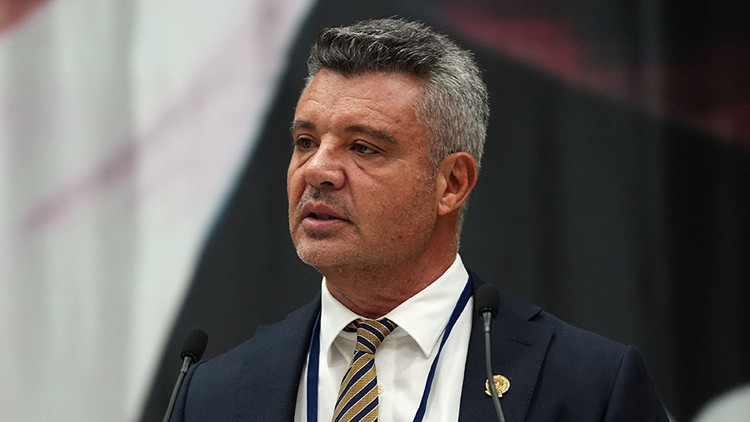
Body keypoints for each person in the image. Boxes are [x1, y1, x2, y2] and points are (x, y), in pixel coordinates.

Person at [171, 18, 669, 421]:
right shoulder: (212, 395)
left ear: (451, 183)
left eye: (363, 148)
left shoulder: (590, 387)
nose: (317, 170)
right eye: (305, 142)